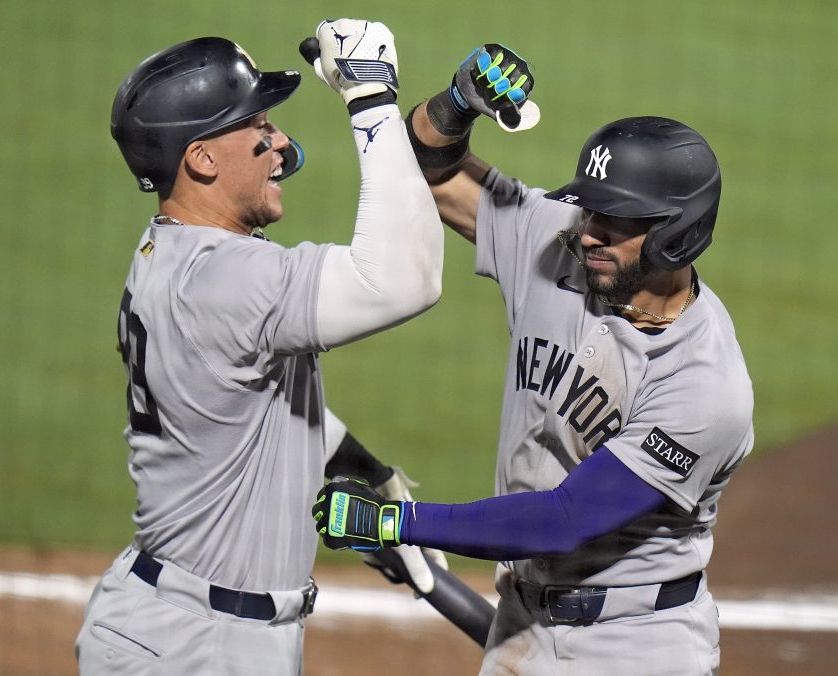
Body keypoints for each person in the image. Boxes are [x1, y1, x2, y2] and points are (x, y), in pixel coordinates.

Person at [315, 45, 755, 675]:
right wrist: (456, 105)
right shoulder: (559, 243)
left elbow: (561, 520)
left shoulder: (705, 385)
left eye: (616, 219)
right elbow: (418, 174)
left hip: (635, 645)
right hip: (520, 623)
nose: (589, 231)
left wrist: (393, 522)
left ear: (676, 233)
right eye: (591, 208)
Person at [76, 20, 448, 675]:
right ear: (202, 159)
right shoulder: (226, 280)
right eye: (258, 127)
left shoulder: (174, 254)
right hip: (195, 648)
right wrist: (370, 97)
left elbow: (242, 412)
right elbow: (404, 278)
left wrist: (363, 470)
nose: (281, 144)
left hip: (182, 629)